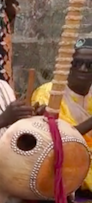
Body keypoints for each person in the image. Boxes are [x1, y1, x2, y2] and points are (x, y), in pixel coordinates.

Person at [32, 37, 92, 191]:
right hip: (66, 159)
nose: (83, 69)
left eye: (90, 65)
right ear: (67, 66)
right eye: (77, 63)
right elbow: (56, 142)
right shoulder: (49, 93)